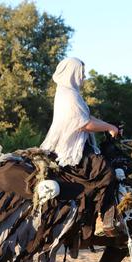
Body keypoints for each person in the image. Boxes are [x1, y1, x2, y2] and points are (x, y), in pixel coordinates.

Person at [41, 57, 120, 237]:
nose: (84, 77)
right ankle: (102, 219)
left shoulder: (67, 92)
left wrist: (110, 126)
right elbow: (84, 124)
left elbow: (89, 119)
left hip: (77, 144)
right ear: (72, 73)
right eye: (81, 74)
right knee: (106, 172)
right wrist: (109, 128)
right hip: (71, 148)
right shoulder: (69, 95)